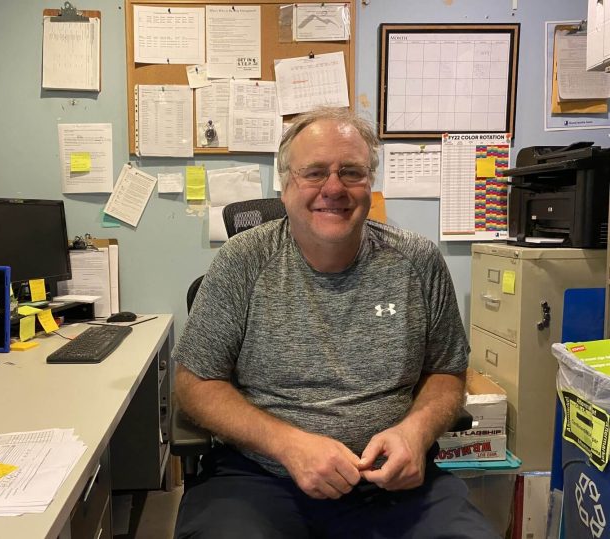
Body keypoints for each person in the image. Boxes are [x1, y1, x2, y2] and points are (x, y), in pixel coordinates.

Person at [172, 107, 499, 538]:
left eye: (351, 172)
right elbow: (195, 381)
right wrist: (288, 445)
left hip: (393, 485)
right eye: (314, 173)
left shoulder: (417, 262)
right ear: (286, 186)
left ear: (370, 184)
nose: (333, 188)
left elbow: (446, 370)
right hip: (262, 480)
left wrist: (415, 433)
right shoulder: (243, 262)